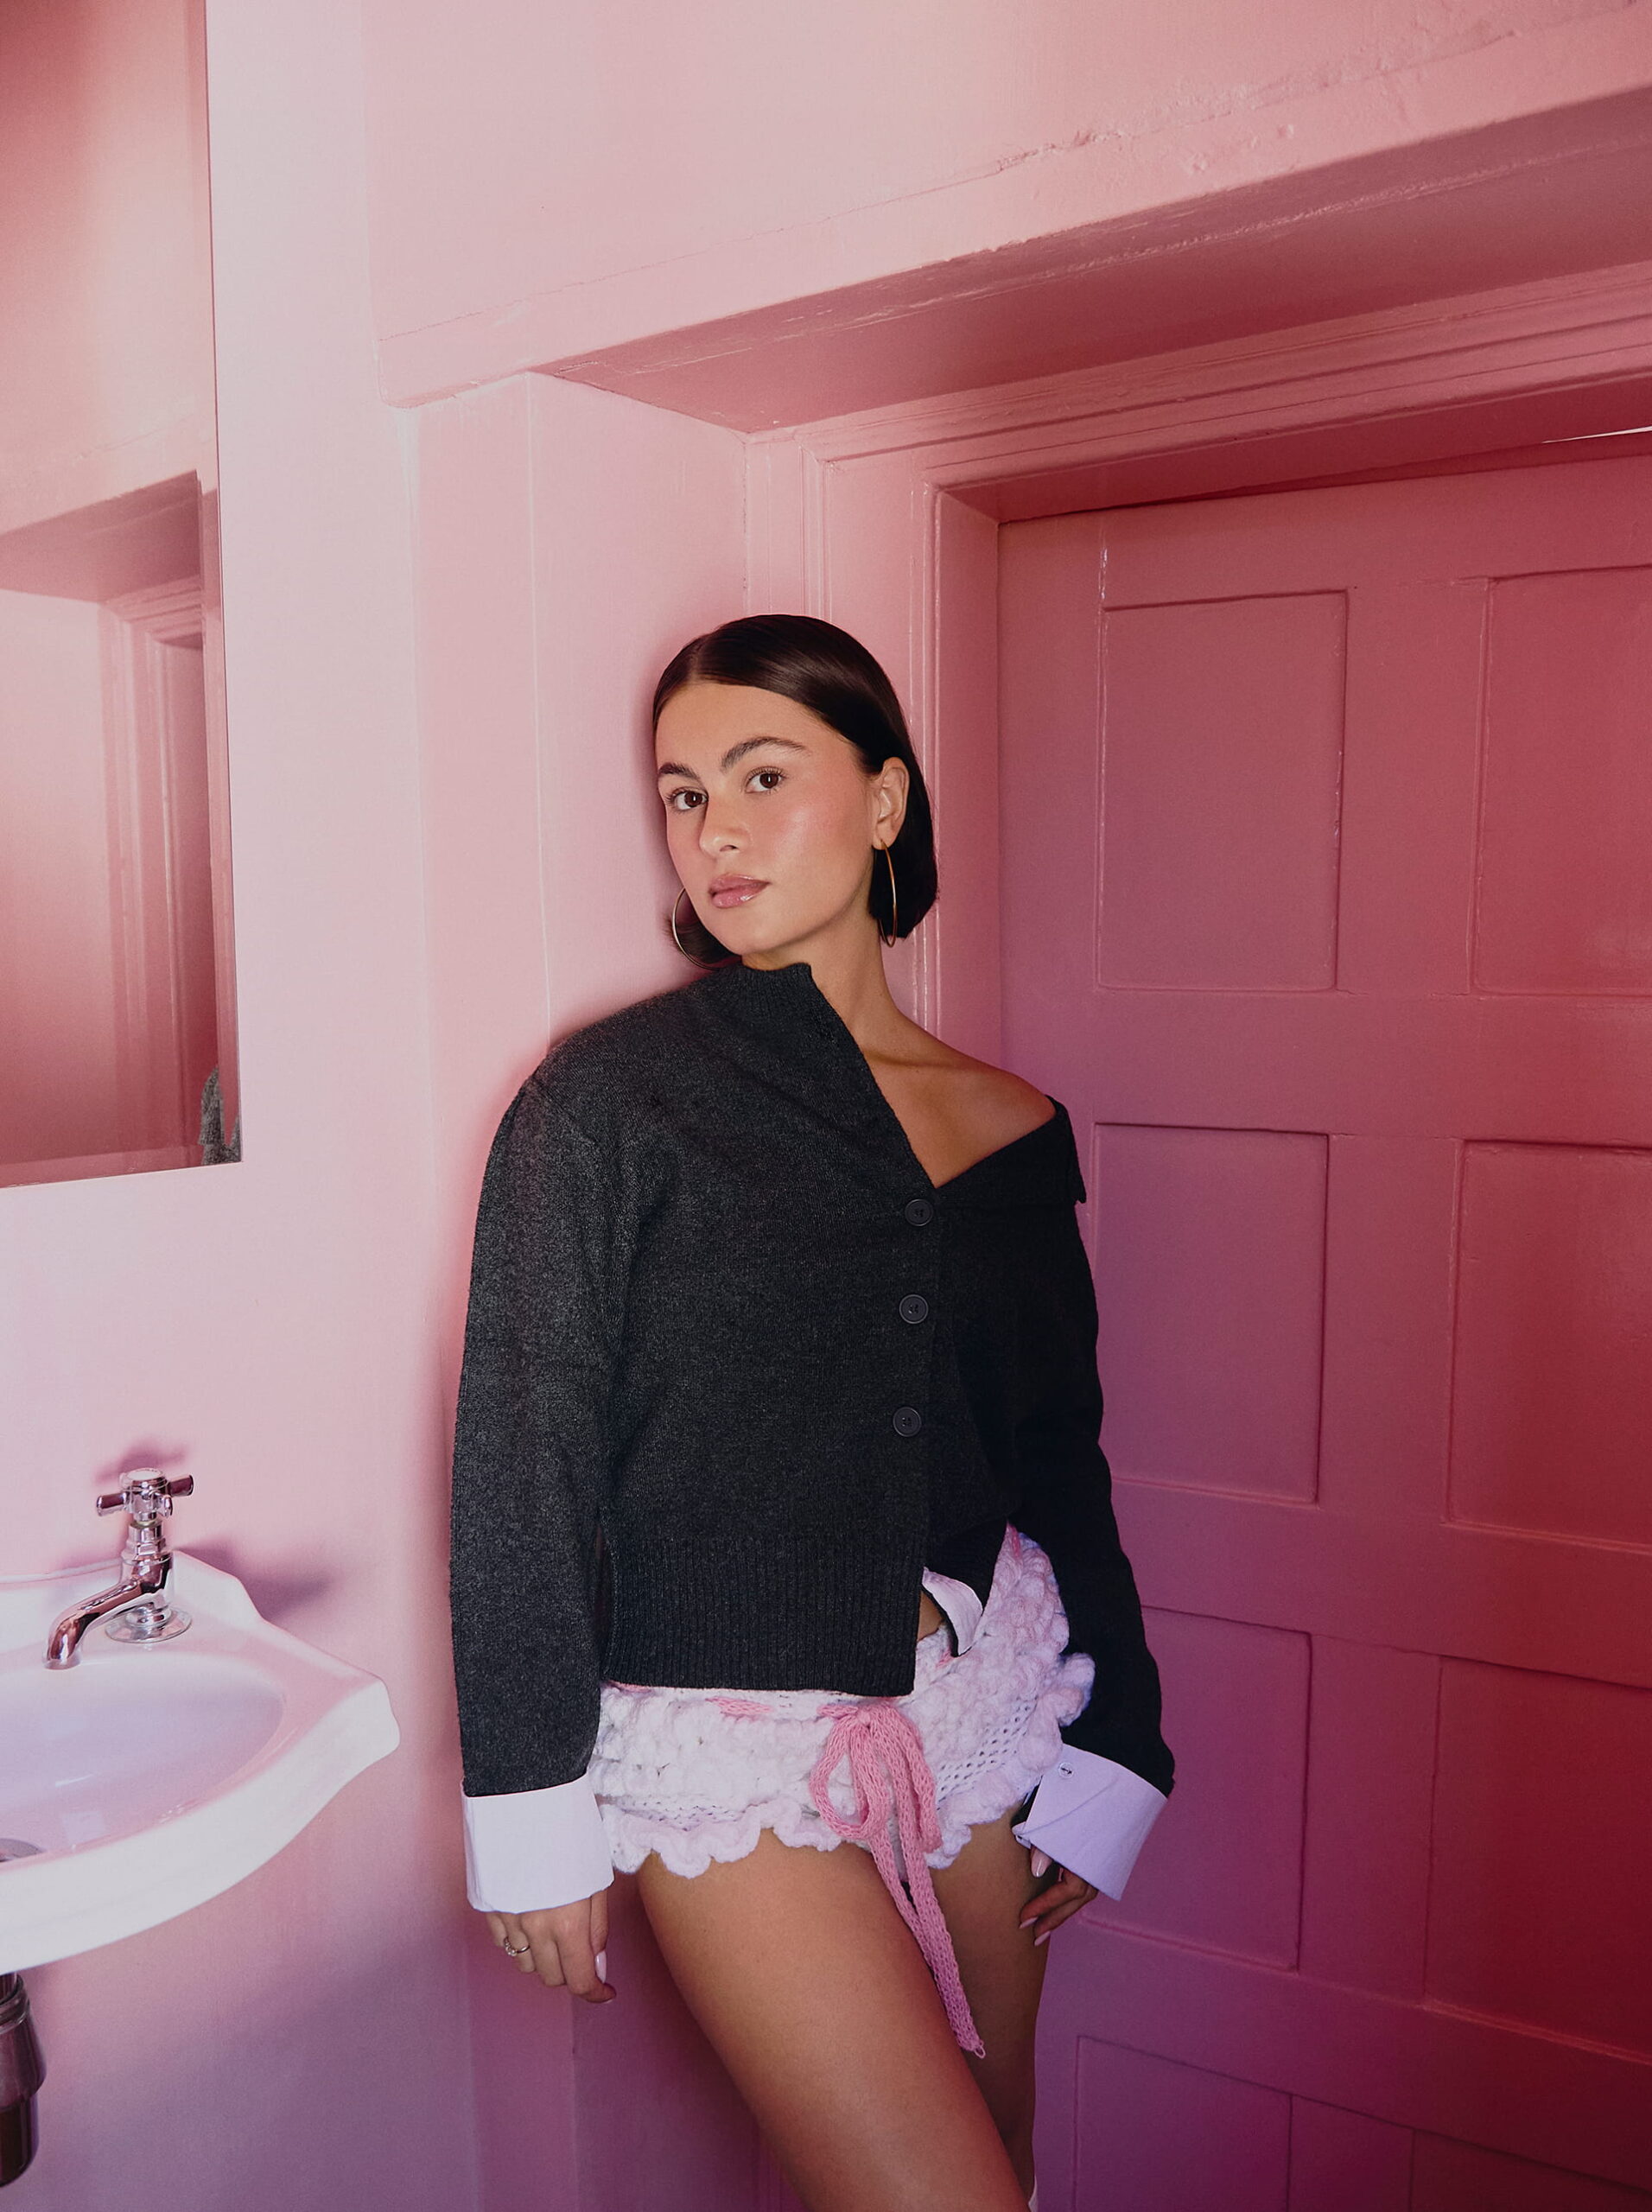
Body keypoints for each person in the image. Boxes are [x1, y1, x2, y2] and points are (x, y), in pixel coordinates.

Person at [448, 613, 1175, 2212]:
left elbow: (1059, 1456)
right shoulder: (607, 1102)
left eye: (763, 776)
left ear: (886, 798)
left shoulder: (1013, 1125)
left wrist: (1121, 1734)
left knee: (1005, 2162)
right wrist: (529, 1802)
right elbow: (522, 1459)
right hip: (728, 1739)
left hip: (983, 1698)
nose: (714, 831)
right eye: (683, 793)